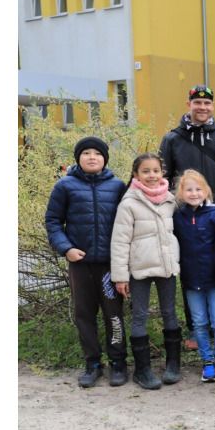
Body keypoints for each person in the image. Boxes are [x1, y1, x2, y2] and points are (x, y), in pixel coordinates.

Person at [158, 84, 215, 351]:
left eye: (207, 104)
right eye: (197, 103)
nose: (202, 108)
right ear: (189, 105)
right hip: (184, 220)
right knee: (190, 270)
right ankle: (196, 331)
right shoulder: (172, 139)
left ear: (212, 107)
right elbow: (162, 177)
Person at [45, 136, 128, 388]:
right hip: (80, 265)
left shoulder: (117, 186)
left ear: (105, 158)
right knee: (84, 315)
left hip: (109, 266)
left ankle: (118, 363)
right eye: (86, 153)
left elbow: (128, 222)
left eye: (97, 153)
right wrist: (66, 248)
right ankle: (92, 363)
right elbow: (53, 221)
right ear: (78, 158)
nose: (92, 157)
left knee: (114, 314)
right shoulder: (65, 186)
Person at [110, 153, 182, 390]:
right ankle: (143, 371)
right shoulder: (128, 203)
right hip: (139, 270)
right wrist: (120, 276)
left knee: (169, 313)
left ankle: (173, 365)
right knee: (139, 316)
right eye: (146, 171)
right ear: (135, 174)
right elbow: (120, 242)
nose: (152, 175)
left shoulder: (171, 200)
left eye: (156, 170)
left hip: (166, 267)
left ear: (162, 173)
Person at [172, 170, 215, 382]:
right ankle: (207, 361)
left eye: (198, 189)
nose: (194, 193)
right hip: (191, 279)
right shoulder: (178, 217)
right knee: (199, 322)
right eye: (189, 189)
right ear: (181, 193)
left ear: (206, 190)